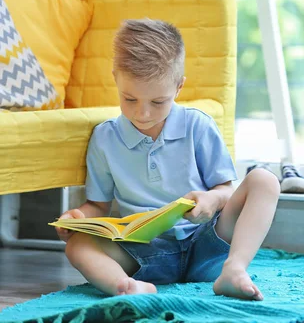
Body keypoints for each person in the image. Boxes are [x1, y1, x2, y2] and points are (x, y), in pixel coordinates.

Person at [56, 19, 280, 301]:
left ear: (179, 87)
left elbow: (225, 190)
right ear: (115, 78)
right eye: (130, 99)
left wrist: (211, 200)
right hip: (144, 254)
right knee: (77, 246)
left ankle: (234, 270)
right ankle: (125, 287)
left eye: (158, 102)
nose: (143, 113)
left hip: (206, 242)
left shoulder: (197, 126)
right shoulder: (104, 138)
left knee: (264, 180)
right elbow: (98, 205)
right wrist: (78, 217)